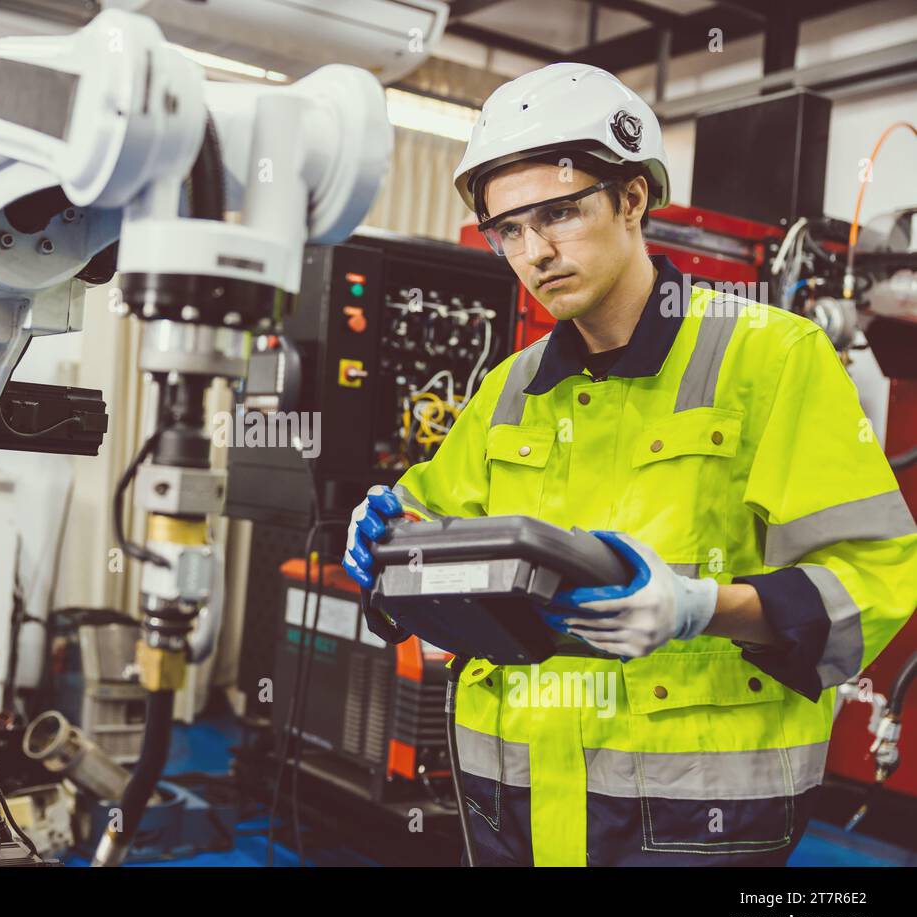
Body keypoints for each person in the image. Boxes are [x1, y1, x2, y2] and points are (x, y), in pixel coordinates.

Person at [342, 62, 917, 866]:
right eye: (508, 228)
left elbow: (876, 580)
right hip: (507, 806)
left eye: (561, 212)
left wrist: (701, 605)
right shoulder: (511, 388)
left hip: (687, 816)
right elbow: (430, 535)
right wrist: (386, 545)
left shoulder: (774, 357)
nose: (535, 251)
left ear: (633, 198)